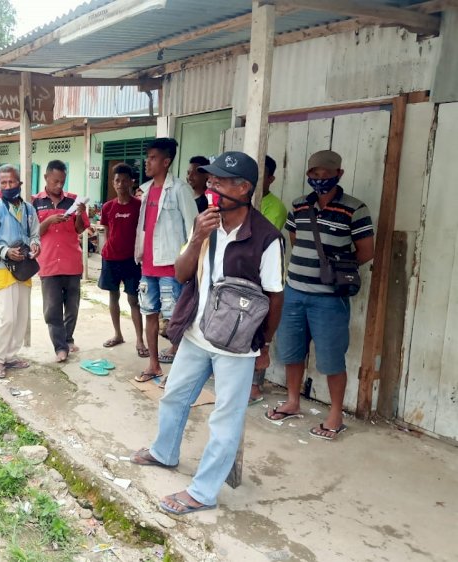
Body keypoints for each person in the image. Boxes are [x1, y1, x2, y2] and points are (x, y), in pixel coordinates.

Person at [130, 151, 284, 514]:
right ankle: (164, 452)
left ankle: (203, 492)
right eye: (210, 180)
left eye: (219, 181)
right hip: (197, 334)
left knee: (225, 419)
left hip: (237, 344)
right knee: (173, 396)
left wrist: (264, 344)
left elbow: (275, 297)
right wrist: (197, 237)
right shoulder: (205, 225)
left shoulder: (267, 238)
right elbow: (181, 274)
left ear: (243, 188)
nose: (210, 186)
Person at [267, 150, 374, 440]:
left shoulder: (355, 208)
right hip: (294, 292)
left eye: (326, 174)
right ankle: (292, 401)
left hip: (329, 298)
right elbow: (294, 238)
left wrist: (335, 267)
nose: (320, 179)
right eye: (314, 174)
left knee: (331, 359)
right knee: (291, 352)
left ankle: (336, 414)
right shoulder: (300, 205)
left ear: (339, 174)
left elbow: (366, 252)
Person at [133, 138, 197, 385]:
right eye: (147, 157)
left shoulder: (179, 189)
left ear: (166, 161)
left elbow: (194, 229)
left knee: (176, 320)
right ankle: (154, 365)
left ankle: (181, 372)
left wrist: (189, 263)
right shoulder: (146, 189)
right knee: (150, 313)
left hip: (172, 266)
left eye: (152, 158)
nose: (147, 162)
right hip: (148, 265)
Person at [0, 164, 40, 379]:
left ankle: (11, 356)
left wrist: (35, 245)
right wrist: (4, 251)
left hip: (24, 268)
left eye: (11, 182)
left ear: (19, 184)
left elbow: (35, 235)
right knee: (8, 318)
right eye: (3, 183)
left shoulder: (29, 209)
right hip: (3, 268)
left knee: (21, 316)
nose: (7, 186)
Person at [33, 160, 89, 362]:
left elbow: (80, 229)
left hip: (71, 262)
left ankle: (68, 338)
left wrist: (80, 214)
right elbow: (32, 234)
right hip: (48, 263)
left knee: (72, 307)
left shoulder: (73, 201)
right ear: (46, 177)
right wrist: (48, 221)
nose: (59, 186)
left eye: (62, 182)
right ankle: (60, 347)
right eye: (55, 181)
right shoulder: (35, 202)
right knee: (52, 309)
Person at [250, 155, 288, 404]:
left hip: (263, 278)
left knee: (260, 329)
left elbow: (259, 239)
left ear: (271, 179)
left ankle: (256, 385)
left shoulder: (275, 207)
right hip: (242, 277)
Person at [97, 163, 146, 356]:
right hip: (110, 259)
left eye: (125, 180)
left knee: (134, 300)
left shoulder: (139, 206)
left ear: (131, 182)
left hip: (132, 261)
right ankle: (117, 334)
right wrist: (108, 248)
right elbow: (107, 232)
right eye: (117, 180)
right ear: (113, 183)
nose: (121, 184)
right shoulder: (108, 207)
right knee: (113, 296)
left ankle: (140, 340)